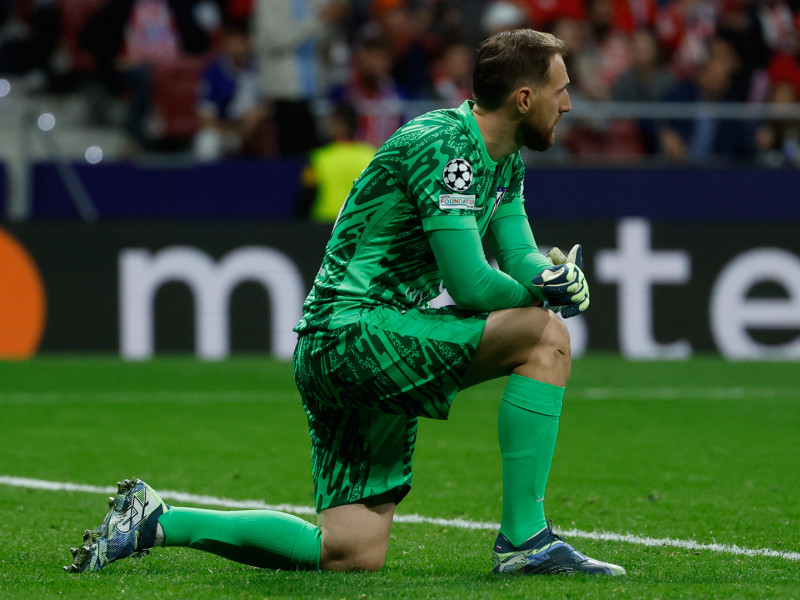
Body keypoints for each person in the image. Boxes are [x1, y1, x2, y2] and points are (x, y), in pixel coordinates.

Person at [64, 29, 626, 578]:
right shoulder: (447, 147)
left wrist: (553, 274)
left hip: (351, 339)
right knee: (544, 335)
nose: (570, 103)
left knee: (350, 550)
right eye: (561, 89)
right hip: (355, 337)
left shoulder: (503, 160)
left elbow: (520, 251)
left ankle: (156, 521)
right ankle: (526, 540)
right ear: (524, 98)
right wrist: (541, 294)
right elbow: (474, 286)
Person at [296, 103, 377, 222]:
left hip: (325, 225)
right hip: (362, 224)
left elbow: (305, 197)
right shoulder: (372, 155)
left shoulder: (319, 158)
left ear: (338, 124)